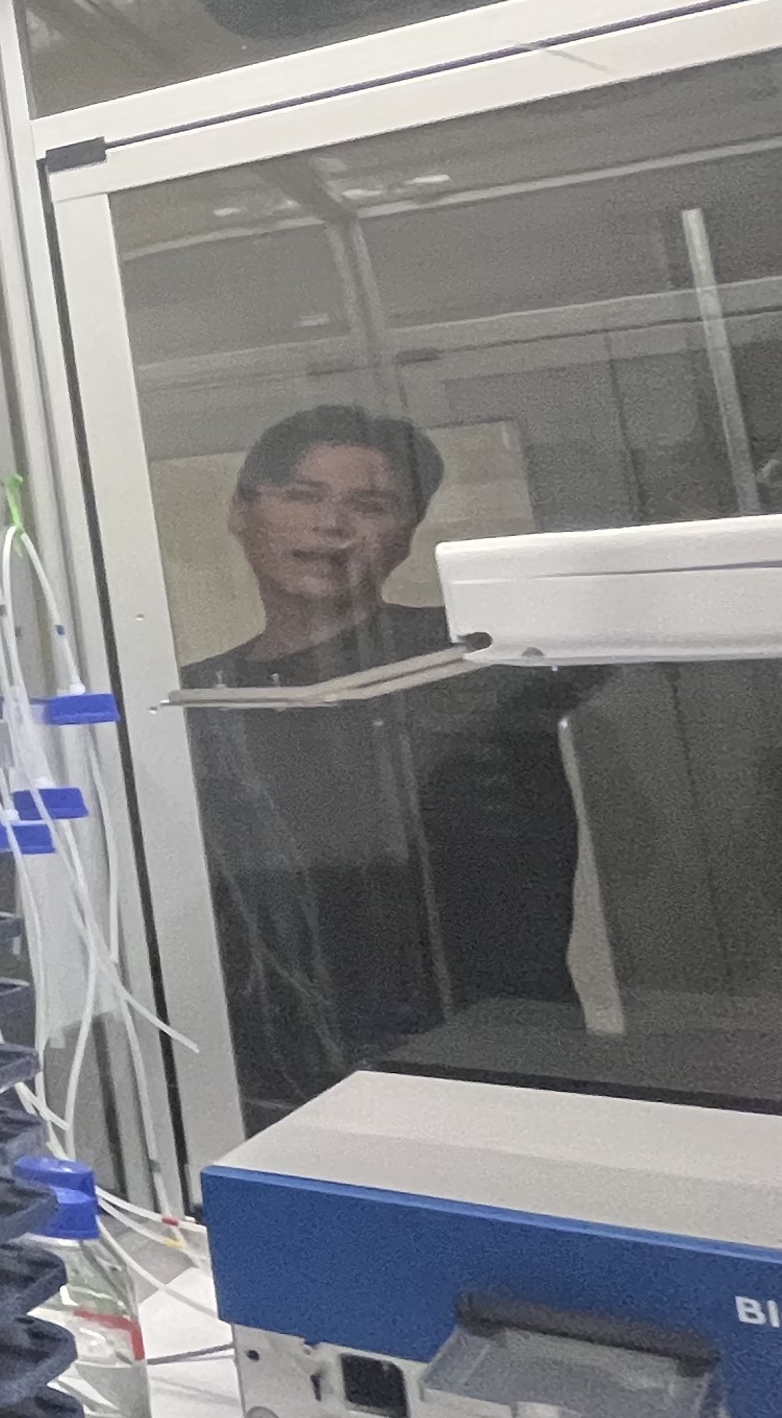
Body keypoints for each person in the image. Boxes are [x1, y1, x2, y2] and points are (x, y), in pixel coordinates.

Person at [177, 402, 589, 1128]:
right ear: (242, 512)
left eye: (370, 506)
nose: (332, 525)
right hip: (260, 1078)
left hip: (489, 1063)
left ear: (407, 534)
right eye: (302, 495)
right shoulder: (191, 697)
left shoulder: (478, 662)